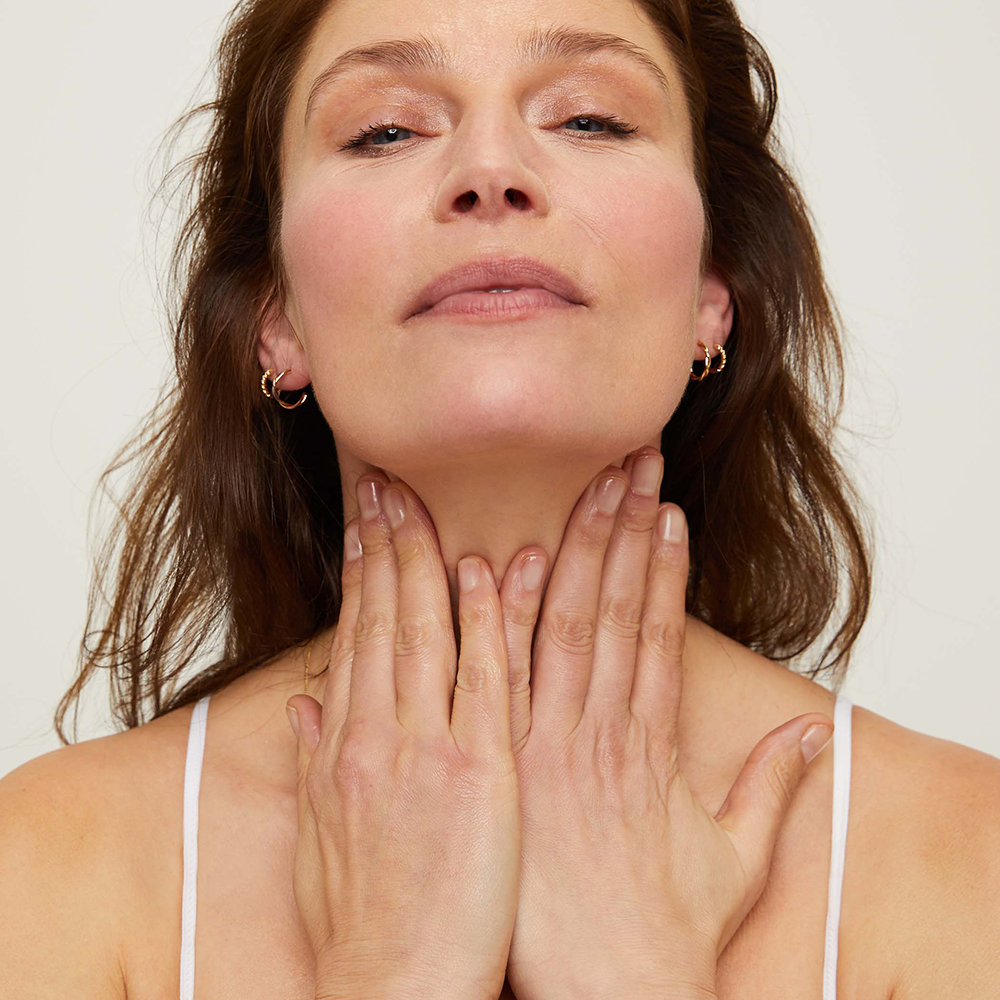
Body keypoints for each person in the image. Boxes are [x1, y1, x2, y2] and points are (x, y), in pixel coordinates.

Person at [2, 0, 999, 995]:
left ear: (712, 288)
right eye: (385, 129)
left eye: (590, 119)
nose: (491, 170)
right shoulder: (46, 864)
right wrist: (395, 968)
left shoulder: (966, 856)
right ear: (276, 317)